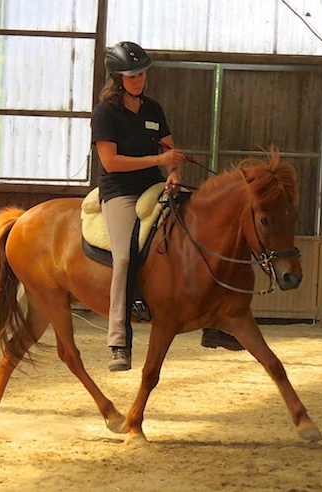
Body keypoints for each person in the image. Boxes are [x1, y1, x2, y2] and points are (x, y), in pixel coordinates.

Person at [91, 41, 186, 371]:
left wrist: (173, 171)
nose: (139, 80)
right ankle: (119, 340)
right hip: (121, 192)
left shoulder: (153, 109)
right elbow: (111, 162)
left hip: (155, 186)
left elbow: (170, 150)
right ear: (117, 78)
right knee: (124, 258)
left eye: (142, 74)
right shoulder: (106, 112)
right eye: (132, 76)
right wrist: (159, 159)